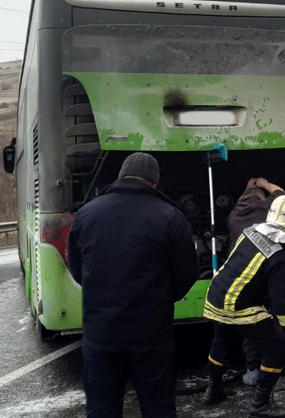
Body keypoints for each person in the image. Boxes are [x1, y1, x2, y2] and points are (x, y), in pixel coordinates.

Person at [68, 152, 199, 418]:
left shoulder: (86, 214)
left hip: (101, 331)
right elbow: (186, 276)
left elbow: (78, 269)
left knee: (102, 408)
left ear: (121, 177)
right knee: (158, 406)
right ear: (154, 183)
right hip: (151, 333)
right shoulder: (171, 217)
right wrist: (160, 300)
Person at [202, 194, 285, 418]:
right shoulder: (281, 259)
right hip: (239, 306)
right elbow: (284, 308)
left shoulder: (249, 232)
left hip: (216, 295)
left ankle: (213, 390)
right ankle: (260, 406)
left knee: (221, 340)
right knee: (277, 348)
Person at [226, 177, 285, 387]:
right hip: (270, 274)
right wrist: (263, 183)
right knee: (277, 324)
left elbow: (243, 200)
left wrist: (248, 188)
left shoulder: (233, 216)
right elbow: (280, 193)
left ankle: (252, 370)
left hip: (246, 280)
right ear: (261, 199)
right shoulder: (266, 209)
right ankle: (276, 375)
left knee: (252, 325)